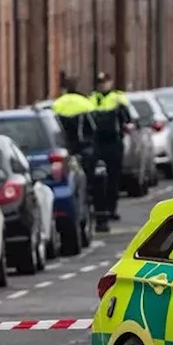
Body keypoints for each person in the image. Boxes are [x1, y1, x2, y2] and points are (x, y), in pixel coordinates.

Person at [52, 78, 108, 232]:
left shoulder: (57, 104)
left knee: (73, 186)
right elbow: (93, 128)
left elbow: (54, 130)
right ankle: (101, 220)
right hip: (85, 150)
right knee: (95, 182)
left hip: (66, 151)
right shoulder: (85, 103)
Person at [90, 73, 134, 227]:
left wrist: (128, 127)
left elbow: (127, 119)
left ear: (111, 82)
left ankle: (112, 209)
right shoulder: (91, 99)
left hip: (114, 143)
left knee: (113, 178)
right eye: (99, 82)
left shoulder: (118, 98)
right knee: (96, 179)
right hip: (97, 144)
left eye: (105, 82)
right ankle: (99, 211)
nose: (102, 85)